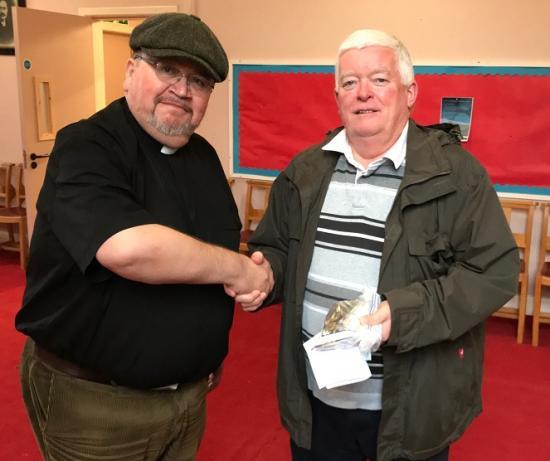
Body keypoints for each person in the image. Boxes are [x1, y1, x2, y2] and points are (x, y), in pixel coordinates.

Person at [237, 29, 519, 461]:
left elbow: (494, 273)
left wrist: (402, 315)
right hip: (317, 401)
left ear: (410, 93)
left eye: (380, 80)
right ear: (337, 97)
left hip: (409, 407)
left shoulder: (459, 176)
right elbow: (276, 247)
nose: (363, 93)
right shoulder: (305, 171)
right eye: (350, 82)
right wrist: (266, 274)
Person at [15, 13, 272, 461]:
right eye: (167, 70)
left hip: (189, 398)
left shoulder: (204, 157)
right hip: (97, 406)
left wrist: (248, 277)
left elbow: (213, 246)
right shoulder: (87, 146)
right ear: (132, 71)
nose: (182, 88)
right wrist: (237, 269)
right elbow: (129, 249)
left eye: (199, 81)